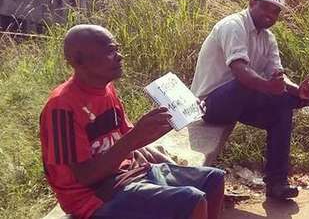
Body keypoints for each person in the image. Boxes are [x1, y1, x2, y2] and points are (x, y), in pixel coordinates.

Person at [40, 25, 225, 219]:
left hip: (131, 173)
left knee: (213, 179)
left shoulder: (106, 89)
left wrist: (172, 119)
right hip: (95, 196)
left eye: (117, 49)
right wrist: (134, 138)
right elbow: (85, 176)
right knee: (191, 200)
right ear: (78, 61)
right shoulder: (62, 107)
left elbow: (131, 141)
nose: (120, 56)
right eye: (110, 51)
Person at [191, 0, 309, 200]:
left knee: (282, 111)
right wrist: (270, 87)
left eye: (276, 11)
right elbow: (240, 71)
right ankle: (298, 101)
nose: (271, 15)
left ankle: (277, 183)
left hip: (242, 102)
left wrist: (297, 90)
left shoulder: (268, 38)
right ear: (251, 3)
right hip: (211, 105)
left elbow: (278, 76)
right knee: (248, 84)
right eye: (266, 8)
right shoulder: (233, 25)